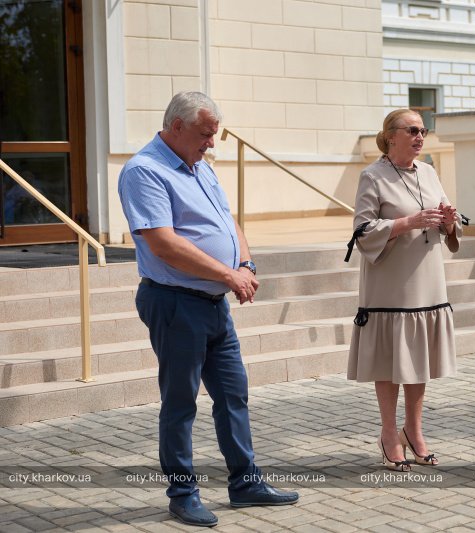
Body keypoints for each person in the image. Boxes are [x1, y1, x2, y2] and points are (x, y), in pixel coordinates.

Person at [118, 91, 298, 527]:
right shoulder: (145, 171)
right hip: (175, 302)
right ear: (176, 126)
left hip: (213, 303)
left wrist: (245, 264)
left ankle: (245, 483)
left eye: (214, 134)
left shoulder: (201, 167)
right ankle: (183, 494)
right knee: (181, 403)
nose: (211, 143)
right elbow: (163, 244)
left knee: (233, 395)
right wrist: (228, 275)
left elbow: (228, 221)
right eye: (205, 134)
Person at [347, 109, 462, 470]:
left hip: (427, 279)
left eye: (423, 131)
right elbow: (362, 231)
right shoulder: (372, 175)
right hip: (389, 284)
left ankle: (413, 430)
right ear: (391, 136)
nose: (420, 136)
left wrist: (449, 222)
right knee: (389, 359)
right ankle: (387, 433)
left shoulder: (428, 172)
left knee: (419, 358)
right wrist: (407, 222)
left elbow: (446, 223)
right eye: (412, 130)